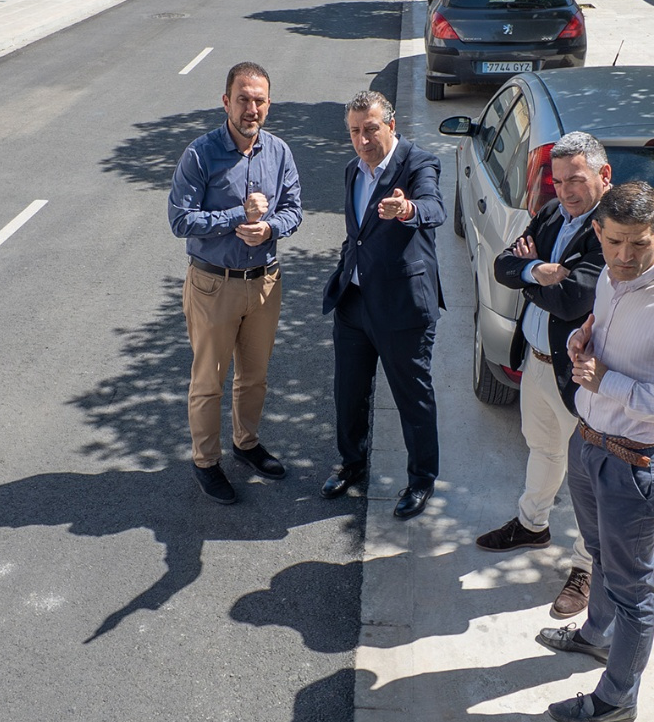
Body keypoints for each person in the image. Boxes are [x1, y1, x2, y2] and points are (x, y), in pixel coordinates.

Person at [534, 180, 654, 722]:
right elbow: (605, 343)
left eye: (639, 243)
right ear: (598, 231)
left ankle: (617, 698)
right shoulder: (610, 279)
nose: (624, 256)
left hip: (636, 464)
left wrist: (609, 384)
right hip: (589, 443)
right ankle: (596, 635)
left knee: (632, 588)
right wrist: (582, 343)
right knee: (597, 555)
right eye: (614, 241)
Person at [476, 132, 611, 620]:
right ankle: (532, 525)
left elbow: (573, 299)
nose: (566, 190)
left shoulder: (610, 229)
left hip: (581, 376)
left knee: (590, 475)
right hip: (536, 362)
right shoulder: (553, 212)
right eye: (559, 181)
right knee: (542, 448)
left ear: (603, 175)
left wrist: (529, 274)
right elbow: (503, 266)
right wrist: (539, 270)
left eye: (576, 179)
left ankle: (588, 567)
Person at [168, 62, 303, 505]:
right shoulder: (200, 154)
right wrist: (236, 217)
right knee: (209, 381)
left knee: (254, 377)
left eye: (259, 100)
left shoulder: (279, 152)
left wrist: (269, 229)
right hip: (213, 285)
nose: (251, 109)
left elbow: (294, 210)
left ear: (269, 104)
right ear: (226, 101)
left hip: (264, 283)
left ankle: (246, 444)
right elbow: (180, 220)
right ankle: (206, 462)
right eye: (243, 99)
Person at [320, 91, 446, 520]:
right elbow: (356, 235)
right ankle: (351, 463)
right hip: (354, 302)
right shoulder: (352, 170)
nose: (363, 140)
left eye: (371, 129)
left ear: (391, 124)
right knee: (348, 393)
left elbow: (433, 207)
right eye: (355, 131)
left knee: (413, 398)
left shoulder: (419, 163)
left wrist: (407, 208)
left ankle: (421, 479)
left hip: (402, 308)